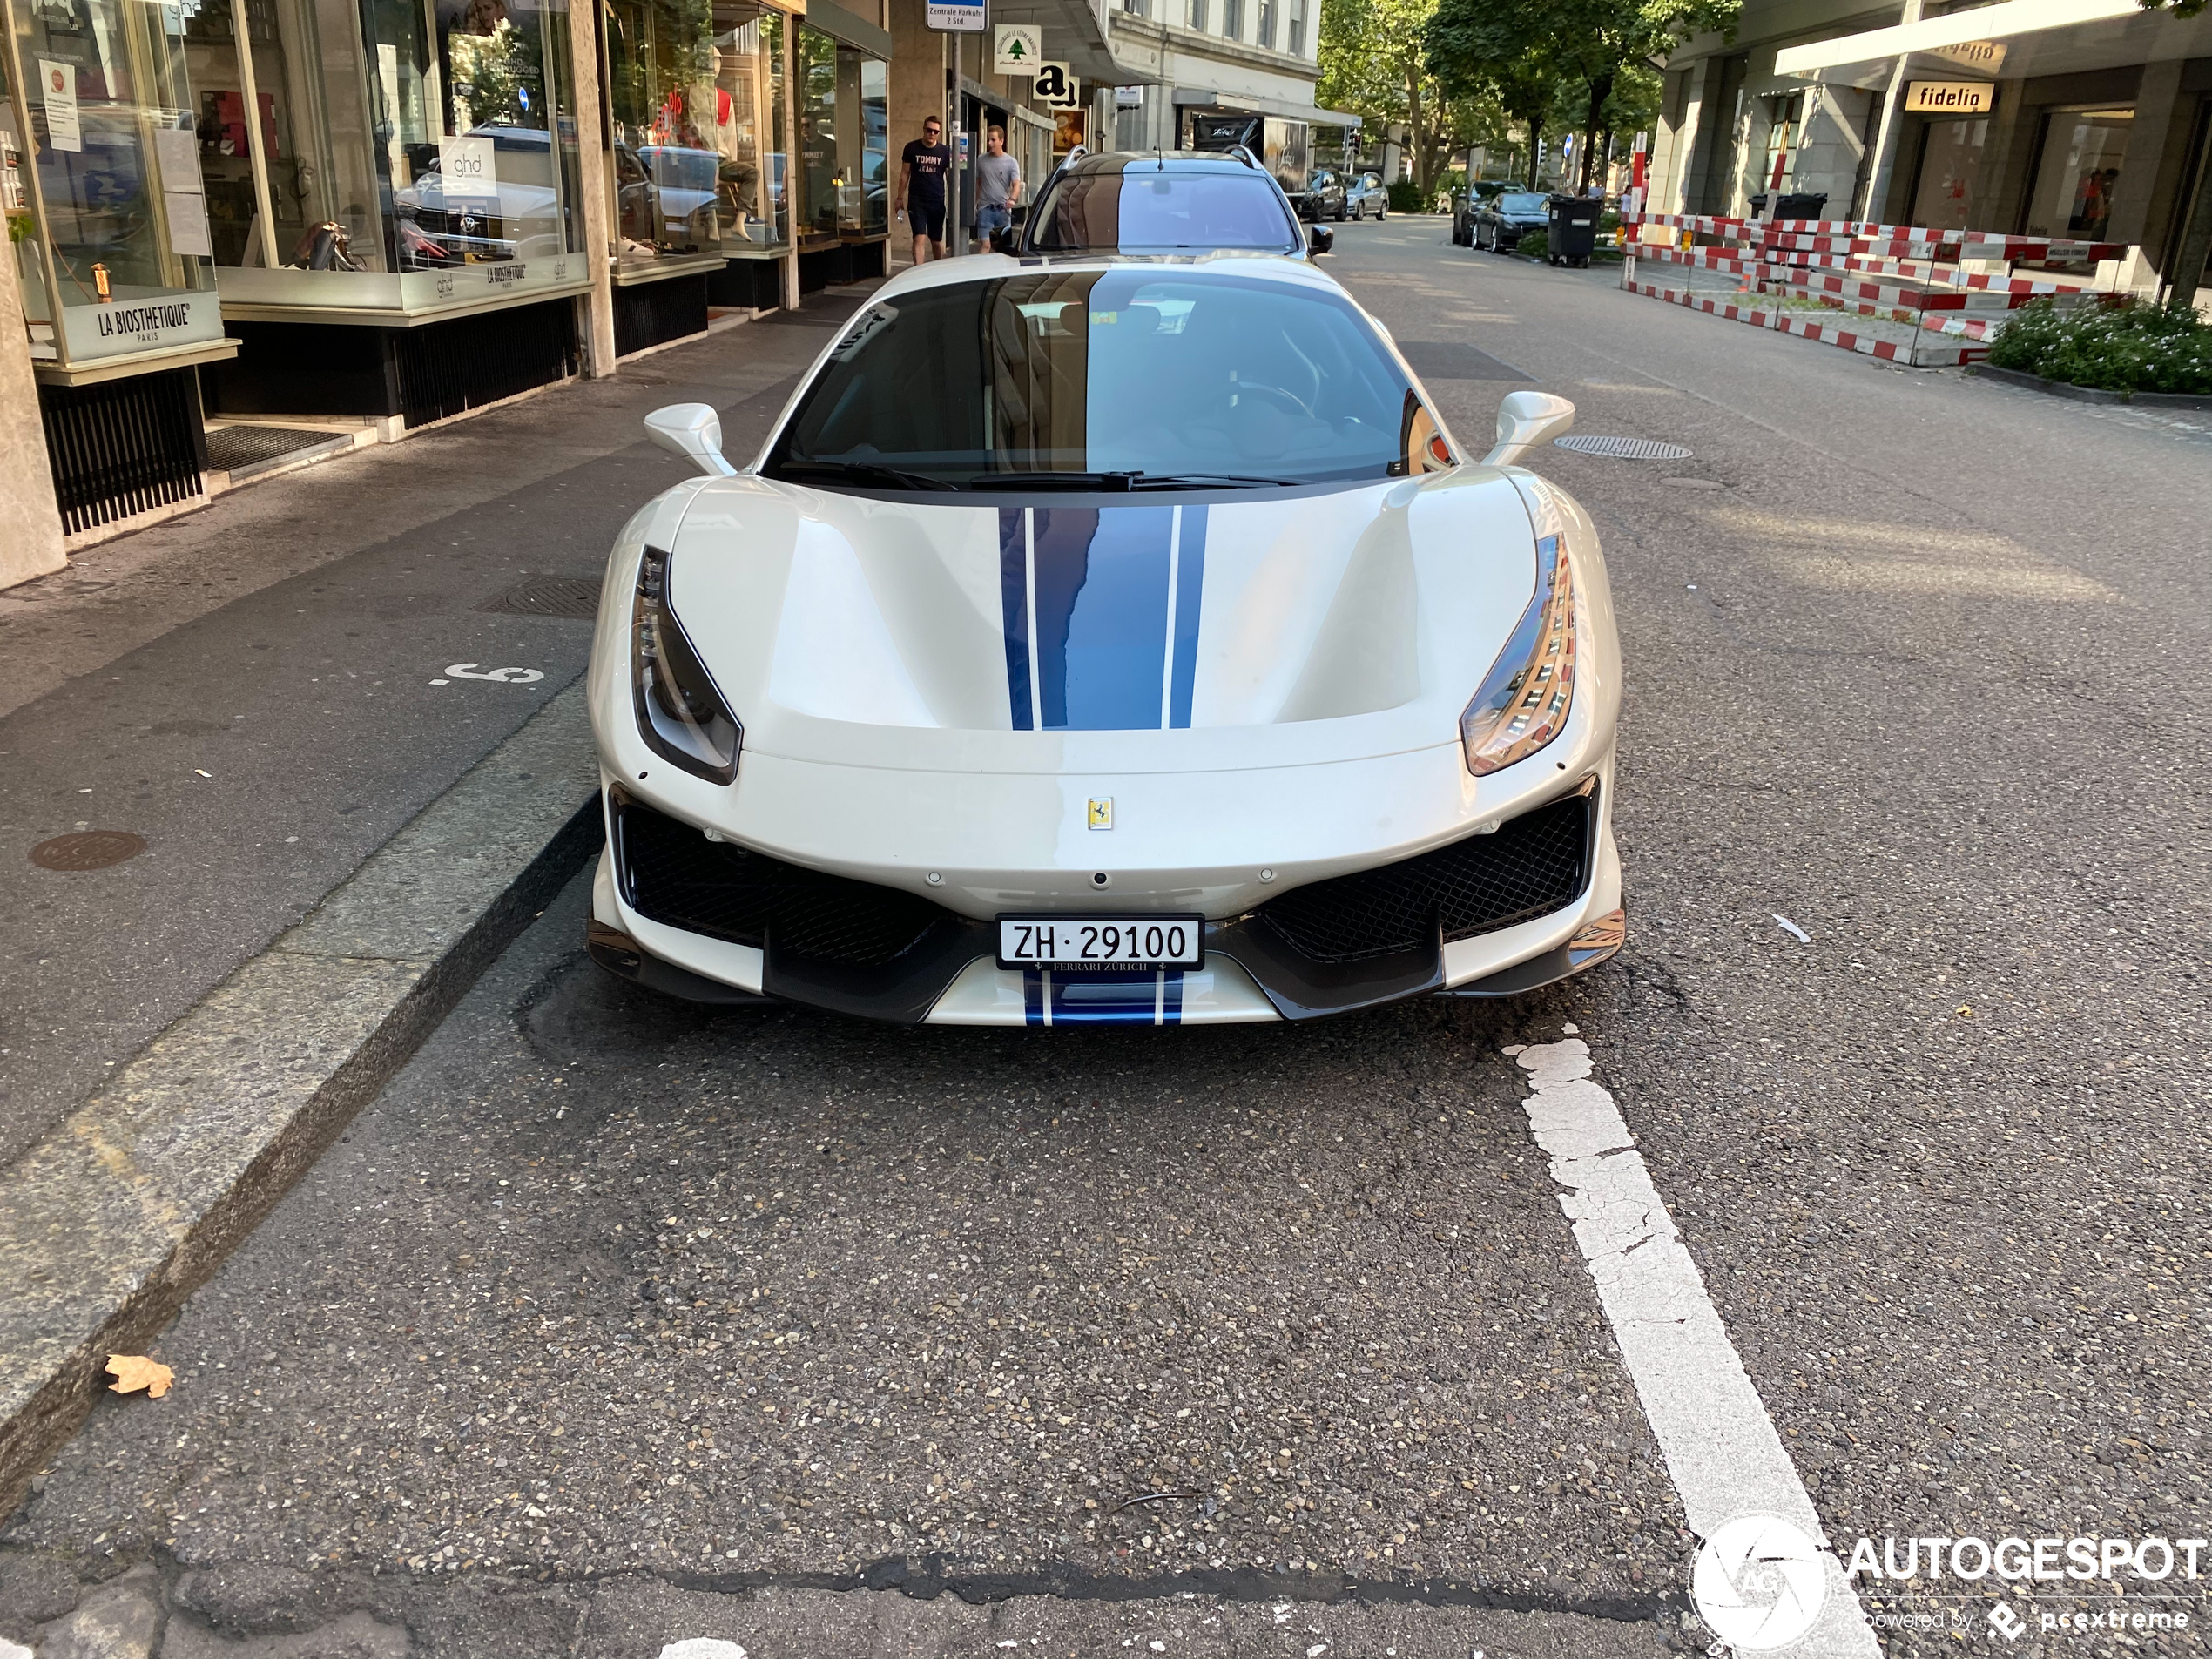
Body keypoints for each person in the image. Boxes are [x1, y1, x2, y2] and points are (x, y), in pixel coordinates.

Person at [894, 116, 954, 263]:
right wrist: (899, 197)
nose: (932, 134)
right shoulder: (912, 148)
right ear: (924, 129)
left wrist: (954, 200)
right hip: (917, 200)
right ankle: (918, 271)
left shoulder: (944, 151)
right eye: (929, 130)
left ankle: (936, 267)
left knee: (936, 240)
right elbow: (904, 173)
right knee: (919, 237)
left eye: (936, 131)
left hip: (937, 200)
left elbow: (950, 177)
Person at [974, 125, 1022, 247]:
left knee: (1004, 247)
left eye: (993, 140)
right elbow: (978, 183)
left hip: (1003, 209)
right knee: (986, 245)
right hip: (985, 208)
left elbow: (1016, 184)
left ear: (1001, 141)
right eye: (988, 139)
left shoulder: (1011, 162)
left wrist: (1012, 199)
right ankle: (981, 266)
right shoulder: (981, 160)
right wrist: (975, 203)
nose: (990, 143)